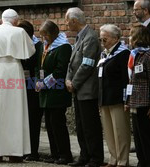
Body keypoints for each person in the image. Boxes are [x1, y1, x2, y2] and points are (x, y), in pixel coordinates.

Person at [0, 8, 35, 163]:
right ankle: (14, 152)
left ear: (1, 19)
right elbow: (31, 50)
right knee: (13, 109)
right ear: (16, 21)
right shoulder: (19, 32)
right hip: (12, 69)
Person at [65, 7, 104, 167]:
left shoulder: (90, 37)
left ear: (74, 21)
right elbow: (72, 63)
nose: (66, 24)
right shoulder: (80, 37)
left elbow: (87, 64)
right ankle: (84, 155)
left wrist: (74, 82)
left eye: (67, 20)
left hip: (87, 89)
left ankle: (95, 157)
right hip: (77, 89)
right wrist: (68, 79)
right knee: (80, 126)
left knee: (90, 126)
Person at [35, 20, 73, 165]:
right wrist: (37, 82)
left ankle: (65, 154)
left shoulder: (63, 47)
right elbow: (39, 67)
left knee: (58, 124)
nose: (43, 38)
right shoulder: (45, 47)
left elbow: (61, 70)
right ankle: (54, 153)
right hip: (45, 92)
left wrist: (44, 83)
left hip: (57, 92)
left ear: (53, 34)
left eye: (45, 35)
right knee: (49, 125)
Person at [98, 24, 131, 167]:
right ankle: (113, 158)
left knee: (120, 131)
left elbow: (126, 78)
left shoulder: (123, 54)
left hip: (117, 98)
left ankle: (122, 161)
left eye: (104, 39)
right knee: (109, 131)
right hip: (105, 98)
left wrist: (126, 99)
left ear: (116, 38)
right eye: (101, 39)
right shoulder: (104, 53)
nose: (102, 42)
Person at [17, 20, 43, 162]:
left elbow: (39, 67)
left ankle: (33, 151)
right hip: (19, 86)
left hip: (33, 86)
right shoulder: (18, 45)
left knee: (33, 120)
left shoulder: (38, 46)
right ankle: (22, 149)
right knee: (21, 119)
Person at [126, 24, 150, 167]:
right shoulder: (135, 55)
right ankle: (141, 162)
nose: (129, 38)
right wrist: (127, 100)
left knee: (146, 137)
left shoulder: (148, 56)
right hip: (134, 101)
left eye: (131, 35)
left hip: (145, 103)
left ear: (138, 37)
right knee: (138, 136)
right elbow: (132, 80)